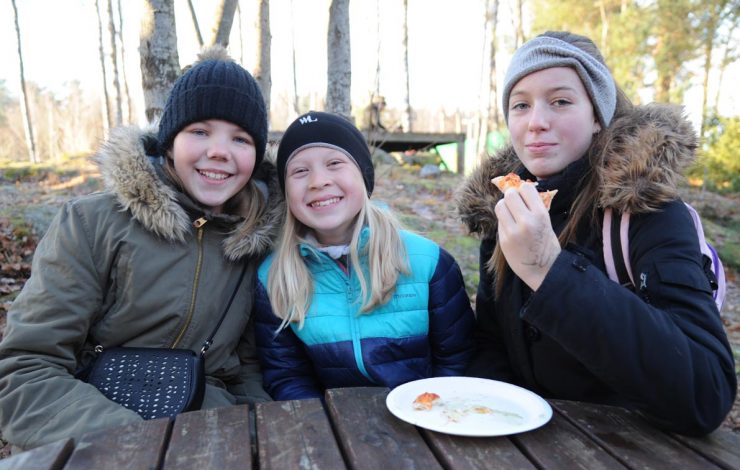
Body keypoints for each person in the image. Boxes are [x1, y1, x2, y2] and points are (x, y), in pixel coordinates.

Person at [0, 46, 284, 450]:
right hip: (87, 433)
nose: (219, 150)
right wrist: (137, 443)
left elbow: (246, 371)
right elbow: (24, 370)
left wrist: (254, 437)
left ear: (255, 157)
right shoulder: (90, 223)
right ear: (169, 143)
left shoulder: (254, 242)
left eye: (240, 138)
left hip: (205, 436)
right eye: (200, 131)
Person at [456, 31, 736, 436]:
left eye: (561, 101)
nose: (536, 122)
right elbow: (492, 345)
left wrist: (549, 270)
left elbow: (705, 392)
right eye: (520, 105)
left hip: (631, 451)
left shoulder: (648, 215)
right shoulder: (504, 209)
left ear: (597, 116)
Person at [254, 111, 475, 400]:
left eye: (334, 163)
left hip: (427, 421)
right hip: (331, 428)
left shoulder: (429, 263)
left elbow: (458, 362)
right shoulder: (273, 278)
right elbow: (287, 375)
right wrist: (323, 426)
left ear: (363, 175)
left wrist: (431, 413)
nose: (318, 181)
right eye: (300, 171)